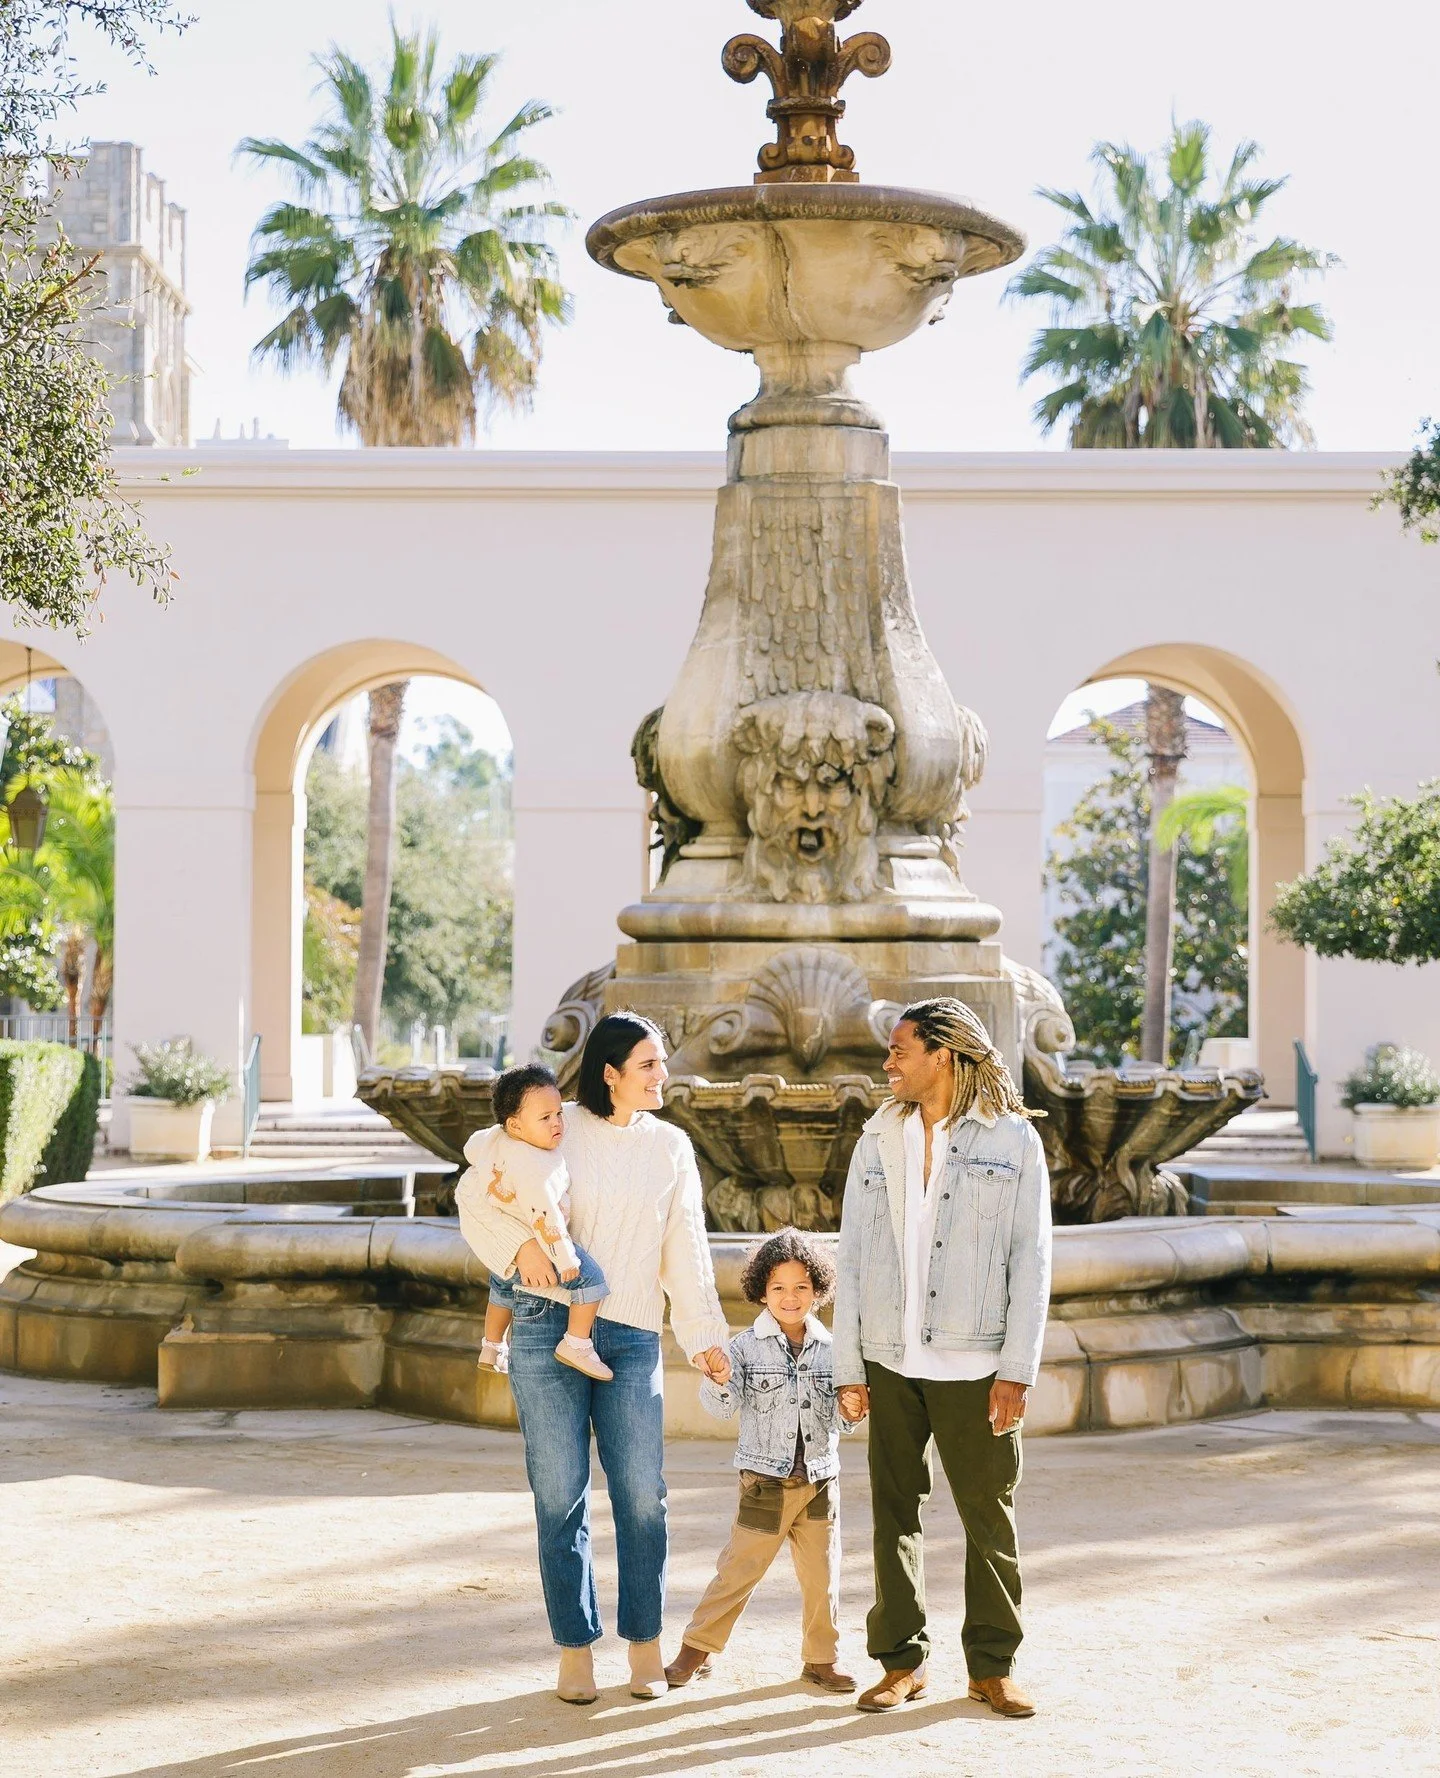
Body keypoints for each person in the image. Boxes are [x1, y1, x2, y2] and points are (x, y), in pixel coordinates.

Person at [454, 1012, 731, 1706]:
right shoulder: (554, 1122)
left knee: (643, 1496)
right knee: (559, 1495)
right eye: (648, 1065)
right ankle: (575, 1651)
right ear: (609, 1073)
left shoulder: (672, 1147)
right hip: (546, 1329)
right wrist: (512, 1249)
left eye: (662, 1063)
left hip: (632, 1336)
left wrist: (705, 1339)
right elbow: (472, 1187)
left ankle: (645, 1646)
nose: (663, 1075)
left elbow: (685, 1249)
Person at [832, 997, 1052, 1720]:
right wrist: (850, 1366)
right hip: (892, 1361)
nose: (888, 1064)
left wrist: (1017, 1366)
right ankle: (901, 1661)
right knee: (894, 1512)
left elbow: (1032, 1261)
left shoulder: (1014, 1142)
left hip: (977, 1363)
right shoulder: (877, 1140)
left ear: (944, 1056)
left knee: (988, 1516)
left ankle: (992, 1667)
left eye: (900, 1050)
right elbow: (855, 1259)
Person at [665, 1228, 858, 1695]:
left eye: (801, 1288)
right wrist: (718, 1379)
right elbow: (723, 1407)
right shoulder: (744, 1347)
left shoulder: (835, 1350)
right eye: (778, 1288)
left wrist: (851, 1408)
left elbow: (840, 1417)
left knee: (822, 1576)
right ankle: (696, 1650)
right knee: (739, 1570)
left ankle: (821, 1659)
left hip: (819, 1480)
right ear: (761, 1291)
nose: (790, 1298)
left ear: (818, 1290)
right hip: (764, 1482)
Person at [457, 1063, 612, 1382]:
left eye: (558, 1113)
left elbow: (471, 1147)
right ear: (515, 1125)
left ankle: (492, 1346)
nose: (557, 1124)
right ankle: (576, 1343)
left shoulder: (495, 1138)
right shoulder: (536, 1166)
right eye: (545, 1118)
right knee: (592, 1281)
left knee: (500, 1290)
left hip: (507, 1252)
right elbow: (546, 1217)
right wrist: (565, 1260)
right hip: (540, 1246)